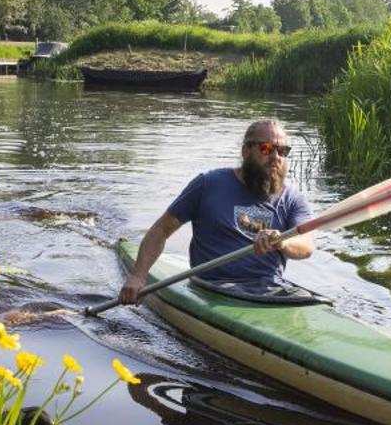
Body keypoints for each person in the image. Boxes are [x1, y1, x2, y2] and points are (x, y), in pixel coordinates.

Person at [120, 118, 315, 304]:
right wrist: (138, 277)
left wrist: (282, 241)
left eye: (283, 151)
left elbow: (306, 246)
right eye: (266, 148)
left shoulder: (293, 200)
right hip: (211, 287)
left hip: (268, 290)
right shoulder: (208, 184)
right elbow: (162, 230)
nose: (276, 157)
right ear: (246, 151)